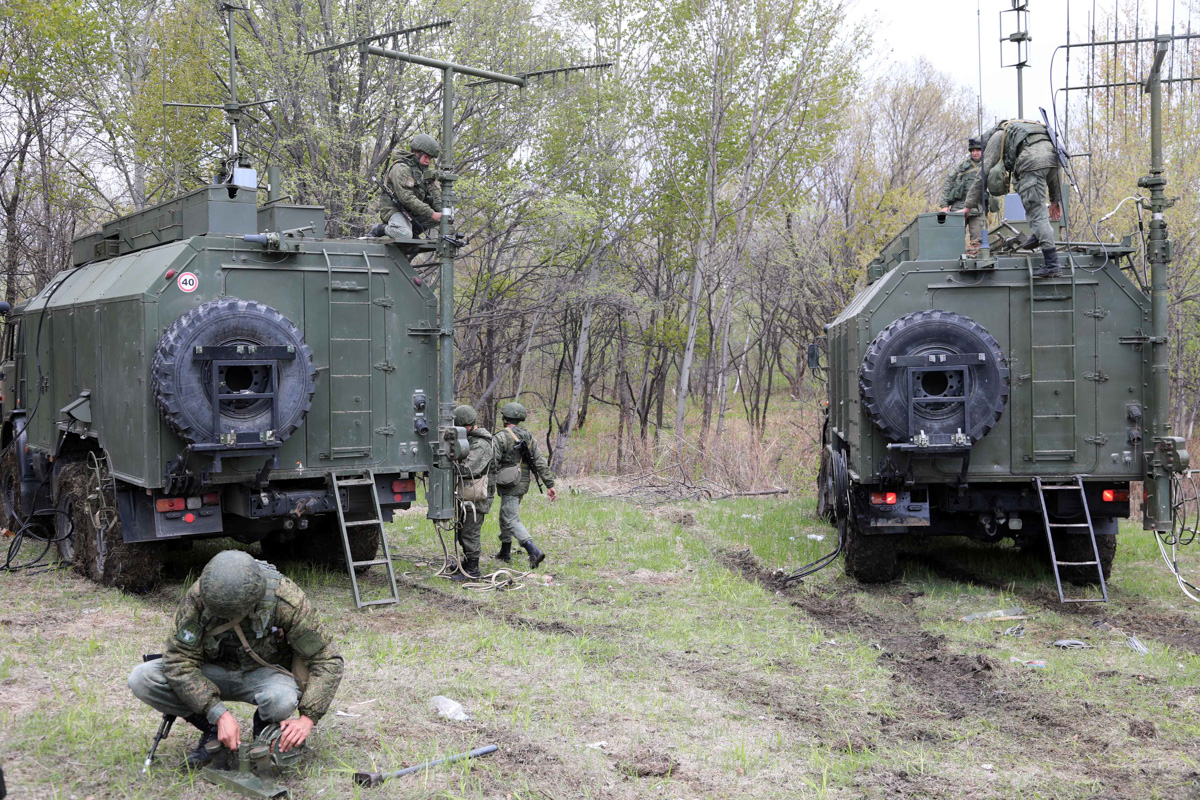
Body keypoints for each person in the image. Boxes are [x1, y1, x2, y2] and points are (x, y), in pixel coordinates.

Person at [128, 550, 343, 768]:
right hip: (211, 671)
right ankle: (211, 729)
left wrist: (308, 718)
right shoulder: (199, 596)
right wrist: (218, 714)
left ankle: (265, 730)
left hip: (263, 674)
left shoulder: (285, 599)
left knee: (282, 700)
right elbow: (178, 660)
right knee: (143, 678)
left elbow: (327, 660)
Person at [963, 119, 1063, 277]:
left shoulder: (997, 136)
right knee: (1037, 214)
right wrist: (1055, 200)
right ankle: (1038, 235)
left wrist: (968, 205)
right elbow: (1055, 166)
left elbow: (984, 172)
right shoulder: (1030, 129)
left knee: (1036, 212)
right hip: (1054, 160)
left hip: (1031, 163)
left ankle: (1052, 264)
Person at [492, 402, 556, 568]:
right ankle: (505, 551)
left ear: (505, 418)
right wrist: (549, 484)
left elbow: (492, 462)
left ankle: (532, 550)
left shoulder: (500, 437)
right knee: (506, 513)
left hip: (508, 483)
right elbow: (540, 461)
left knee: (510, 517)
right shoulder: (528, 436)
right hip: (523, 482)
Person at [451, 404, 494, 580]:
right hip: (467, 493)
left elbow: (468, 469)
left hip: (477, 497)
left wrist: (448, 464)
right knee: (462, 530)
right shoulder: (470, 440)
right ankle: (466, 564)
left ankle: (473, 570)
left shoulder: (481, 444)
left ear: (467, 425)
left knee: (470, 532)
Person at [378, 133, 442, 240]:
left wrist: (443, 212)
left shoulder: (423, 172)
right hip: (394, 210)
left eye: (430, 158)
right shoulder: (401, 168)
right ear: (417, 153)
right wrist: (431, 213)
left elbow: (436, 197)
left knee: (444, 217)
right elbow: (406, 198)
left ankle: (414, 231)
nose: (428, 161)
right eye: (426, 157)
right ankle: (381, 229)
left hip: (412, 213)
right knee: (404, 235)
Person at [938, 137, 984, 248]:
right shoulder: (961, 166)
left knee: (977, 242)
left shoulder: (986, 165)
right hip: (958, 208)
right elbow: (949, 183)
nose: (975, 153)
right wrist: (944, 205)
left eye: (978, 150)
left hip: (977, 209)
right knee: (954, 241)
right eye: (973, 150)